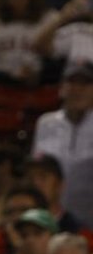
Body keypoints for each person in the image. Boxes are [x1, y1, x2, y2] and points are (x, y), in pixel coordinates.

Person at [31, 60, 93, 226]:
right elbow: (37, 170)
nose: (77, 90)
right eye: (71, 82)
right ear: (61, 88)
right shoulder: (45, 123)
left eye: (85, 83)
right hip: (51, 217)